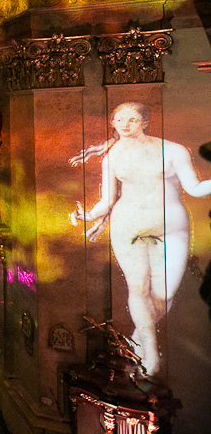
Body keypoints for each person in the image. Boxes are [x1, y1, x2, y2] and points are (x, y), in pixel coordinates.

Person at [68, 102, 211, 375]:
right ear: (113, 123)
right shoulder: (112, 156)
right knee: (139, 288)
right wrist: (88, 215)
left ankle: (137, 336)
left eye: (132, 119)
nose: (125, 124)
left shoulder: (173, 150)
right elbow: (108, 199)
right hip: (128, 224)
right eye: (119, 120)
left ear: (145, 122)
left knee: (165, 294)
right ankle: (150, 354)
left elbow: (194, 188)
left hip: (171, 226)